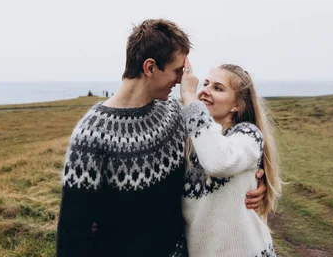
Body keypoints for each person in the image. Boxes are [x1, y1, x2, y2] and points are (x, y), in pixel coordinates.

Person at [56, 19, 266, 257]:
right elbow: (73, 235)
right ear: (150, 68)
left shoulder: (174, 114)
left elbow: (217, 153)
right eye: (178, 71)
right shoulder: (91, 134)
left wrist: (255, 182)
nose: (181, 81)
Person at [180, 62, 282, 257]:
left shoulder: (248, 135)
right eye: (206, 83)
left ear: (236, 105)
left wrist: (190, 100)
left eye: (217, 88)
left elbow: (218, 162)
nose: (205, 91)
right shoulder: (192, 136)